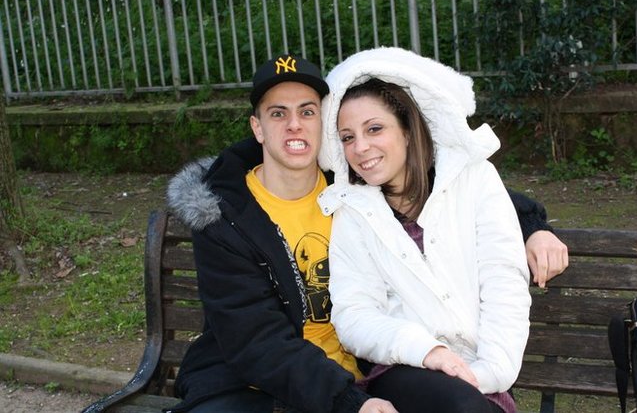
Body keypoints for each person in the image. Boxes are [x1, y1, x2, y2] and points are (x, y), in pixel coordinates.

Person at [165, 52, 566, 413]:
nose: (294, 125)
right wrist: (348, 402)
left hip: (355, 373)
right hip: (251, 382)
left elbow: (452, 188)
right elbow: (257, 341)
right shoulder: (226, 216)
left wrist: (533, 227)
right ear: (257, 127)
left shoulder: (349, 184)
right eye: (278, 113)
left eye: (307, 112)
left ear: (323, 124)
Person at [317, 47, 534, 413]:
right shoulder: (351, 211)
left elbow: (504, 280)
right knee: (461, 406)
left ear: (406, 129)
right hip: (402, 367)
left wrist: (489, 372)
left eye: (374, 129)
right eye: (347, 137)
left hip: (481, 374)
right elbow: (354, 314)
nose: (360, 147)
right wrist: (426, 350)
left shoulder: (474, 179)